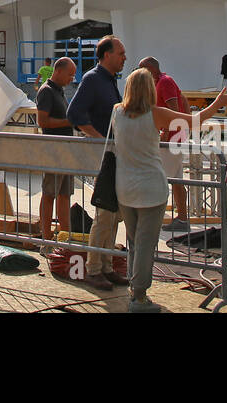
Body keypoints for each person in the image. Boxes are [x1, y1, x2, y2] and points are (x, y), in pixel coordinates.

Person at [113, 68, 227, 312]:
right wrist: (217, 104)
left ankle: (133, 287)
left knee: (134, 240)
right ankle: (139, 295)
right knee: (147, 243)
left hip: (124, 186)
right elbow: (196, 120)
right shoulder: (157, 114)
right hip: (151, 187)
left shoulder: (117, 112)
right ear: (150, 89)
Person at [66, 35, 129, 291]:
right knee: (104, 214)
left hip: (112, 157)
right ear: (106, 56)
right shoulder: (93, 79)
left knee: (113, 214)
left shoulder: (109, 81)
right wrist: (101, 140)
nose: (124, 57)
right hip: (105, 159)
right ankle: (93, 268)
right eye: (120, 53)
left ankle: (105, 266)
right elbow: (74, 113)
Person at [139, 57, 191, 232]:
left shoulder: (165, 82)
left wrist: (167, 133)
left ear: (151, 69)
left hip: (172, 139)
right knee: (175, 179)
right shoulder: (161, 82)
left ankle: (157, 217)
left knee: (161, 179)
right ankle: (182, 218)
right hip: (175, 136)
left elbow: (174, 110)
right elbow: (183, 101)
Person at [36, 57, 77, 240]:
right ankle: (46, 237)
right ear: (58, 71)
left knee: (64, 193)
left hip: (65, 150)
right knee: (50, 193)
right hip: (54, 151)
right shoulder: (46, 92)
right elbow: (42, 121)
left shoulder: (59, 91)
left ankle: (64, 235)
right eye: (70, 74)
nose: (72, 79)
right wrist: (69, 121)